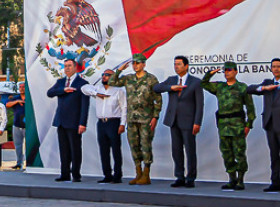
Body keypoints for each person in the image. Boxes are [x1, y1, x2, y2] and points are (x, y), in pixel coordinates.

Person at [103, 54, 161, 185]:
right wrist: (120, 70)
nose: (136, 65)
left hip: (146, 118)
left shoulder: (151, 79)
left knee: (145, 145)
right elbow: (111, 82)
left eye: (138, 63)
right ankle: (138, 173)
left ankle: (146, 173)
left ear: (144, 64)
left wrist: (155, 117)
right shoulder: (128, 78)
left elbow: (158, 100)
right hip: (132, 118)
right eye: (134, 63)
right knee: (134, 145)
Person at [247, 58, 280, 193]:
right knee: (274, 155)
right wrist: (265, 88)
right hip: (270, 124)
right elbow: (249, 89)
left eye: (278, 66)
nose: (276, 69)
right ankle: (275, 182)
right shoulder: (267, 83)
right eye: (274, 67)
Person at [200, 62, 256, 191]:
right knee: (227, 153)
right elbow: (204, 84)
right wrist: (210, 73)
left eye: (229, 70)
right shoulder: (220, 87)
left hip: (237, 126)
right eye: (225, 70)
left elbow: (250, 108)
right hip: (223, 126)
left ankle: (240, 180)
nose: (227, 73)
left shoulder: (242, 88)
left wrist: (248, 125)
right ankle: (232, 179)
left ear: (236, 72)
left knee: (239, 153)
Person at [153, 56, 204, 188]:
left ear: (186, 66)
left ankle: (191, 177)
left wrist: (197, 122)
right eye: (175, 64)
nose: (176, 67)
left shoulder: (195, 82)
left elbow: (200, 105)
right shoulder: (171, 80)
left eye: (179, 64)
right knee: (176, 150)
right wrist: (171, 88)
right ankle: (179, 176)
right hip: (173, 120)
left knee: (190, 150)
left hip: (188, 121)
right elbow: (156, 88)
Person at [46, 59, 90, 182]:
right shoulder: (60, 82)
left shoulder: (82, 83)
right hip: (61, 121)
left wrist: (82, 123)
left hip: (74, 122)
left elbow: (85, 106)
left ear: (76, 67)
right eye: (65, 66)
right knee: (63, 149)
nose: (67, 68)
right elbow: (49, 93)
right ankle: (64, 174)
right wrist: (63, 90)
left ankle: (76, 174)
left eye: (69, 66)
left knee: (75, 149)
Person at [84, 75, 126, 184]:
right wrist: (96, 94)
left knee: (116, 150)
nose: (104, 77)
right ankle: (107, 175)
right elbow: (84, 88)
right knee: (104, 150)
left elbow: (124, 107)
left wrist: (122, 124)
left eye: (107, 75)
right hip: (101, 123)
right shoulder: (98, 89)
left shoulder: (118, 91)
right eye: (103, 75)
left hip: (113, 122)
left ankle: (117, 175)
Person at [5, 83, 27, 170]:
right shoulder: (16, 98)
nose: (21, 89)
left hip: (27, 125)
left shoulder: (29, 97)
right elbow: (7, 104)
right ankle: (19, 162)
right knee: (18, 145)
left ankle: (29, 162)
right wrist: (17, 102)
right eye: (20, 87)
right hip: (17, 124)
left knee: (27, 146)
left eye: (23, 87)